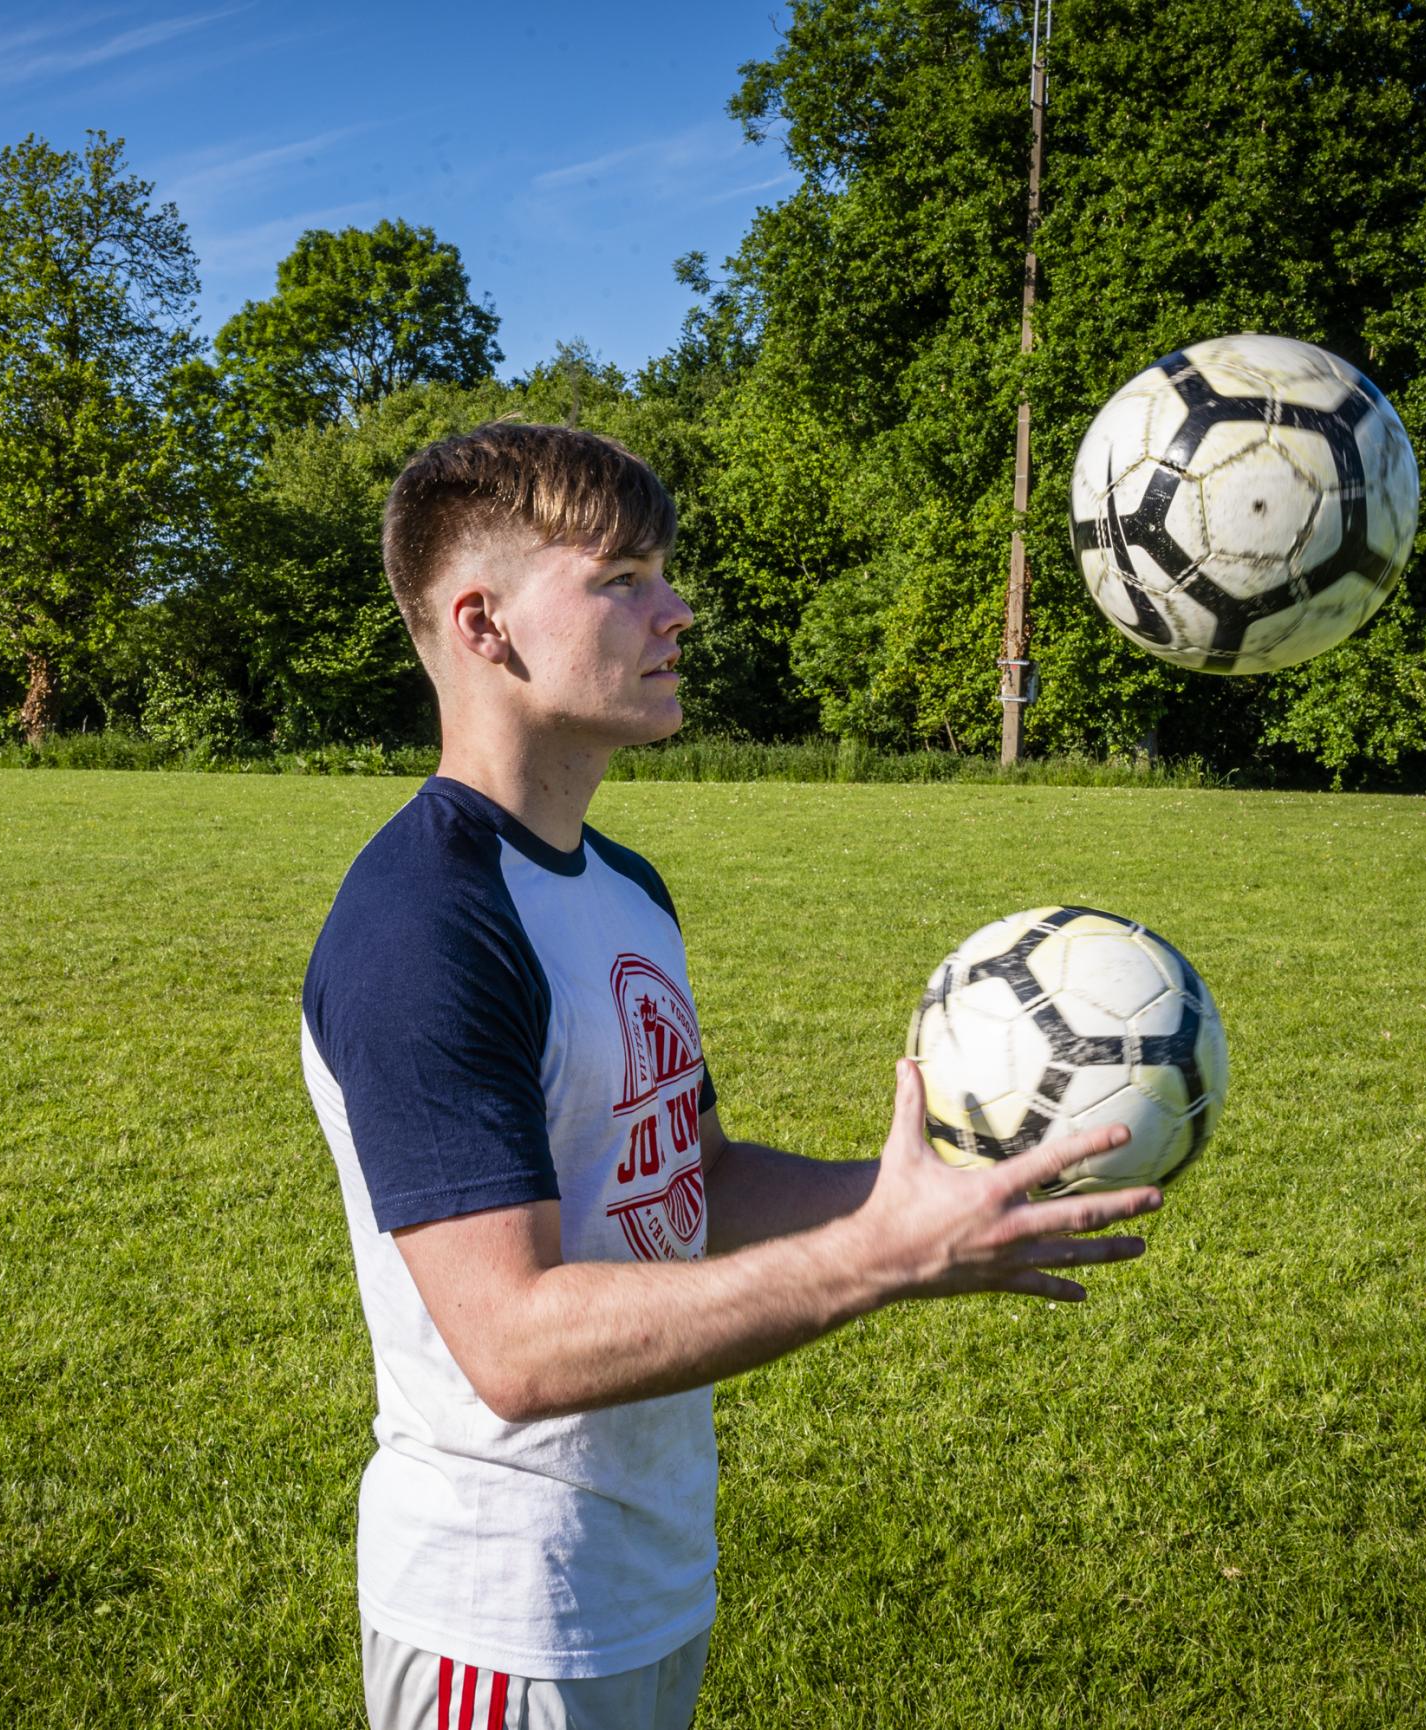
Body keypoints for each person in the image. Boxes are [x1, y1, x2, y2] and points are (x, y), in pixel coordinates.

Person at [301, 422, 1162, 1729]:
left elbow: (687, 1175)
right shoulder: (424, 925)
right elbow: (512, 1344)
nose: (677, 609)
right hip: (504, 1620)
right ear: (484, 624)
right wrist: (880, 1261)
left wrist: (918, 1193)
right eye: (622, 578)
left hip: (646, 1578)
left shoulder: (622, 888)